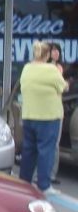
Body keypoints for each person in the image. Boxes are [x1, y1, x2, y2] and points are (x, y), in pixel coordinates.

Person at [19, 41, 68, 193]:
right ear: (47, 55)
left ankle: (24, 182)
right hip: (48, 117)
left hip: (29, 115)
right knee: (46, 151)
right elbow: (63, 86)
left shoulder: (27, 68)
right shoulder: (51, 70)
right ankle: (44, 185)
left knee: (28, 151)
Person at [48, 42, 66, 183]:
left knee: (55, 144)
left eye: (58, 50)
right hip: (46, 109)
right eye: (54, 50)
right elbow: (62, 86)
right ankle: (42, 174)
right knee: (46, 143)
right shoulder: (45, 68)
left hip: (57, 108)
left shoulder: (59, 67)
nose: (56, 53)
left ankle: (51, 174)